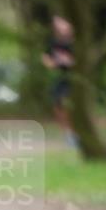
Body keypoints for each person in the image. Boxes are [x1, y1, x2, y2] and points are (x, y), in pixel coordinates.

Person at [42, 15, 76, 145]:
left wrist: (70, 62)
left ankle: (76, 132)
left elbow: (81, 61)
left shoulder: (76, 42)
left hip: (75, 78)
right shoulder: (54, 43)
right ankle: (68, 135)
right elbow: (46, 57)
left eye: (61, 25)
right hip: (62, 77)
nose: (59, 28)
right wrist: (51, 63)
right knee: (57, 105)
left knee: (69, 105)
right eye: (56, 26)